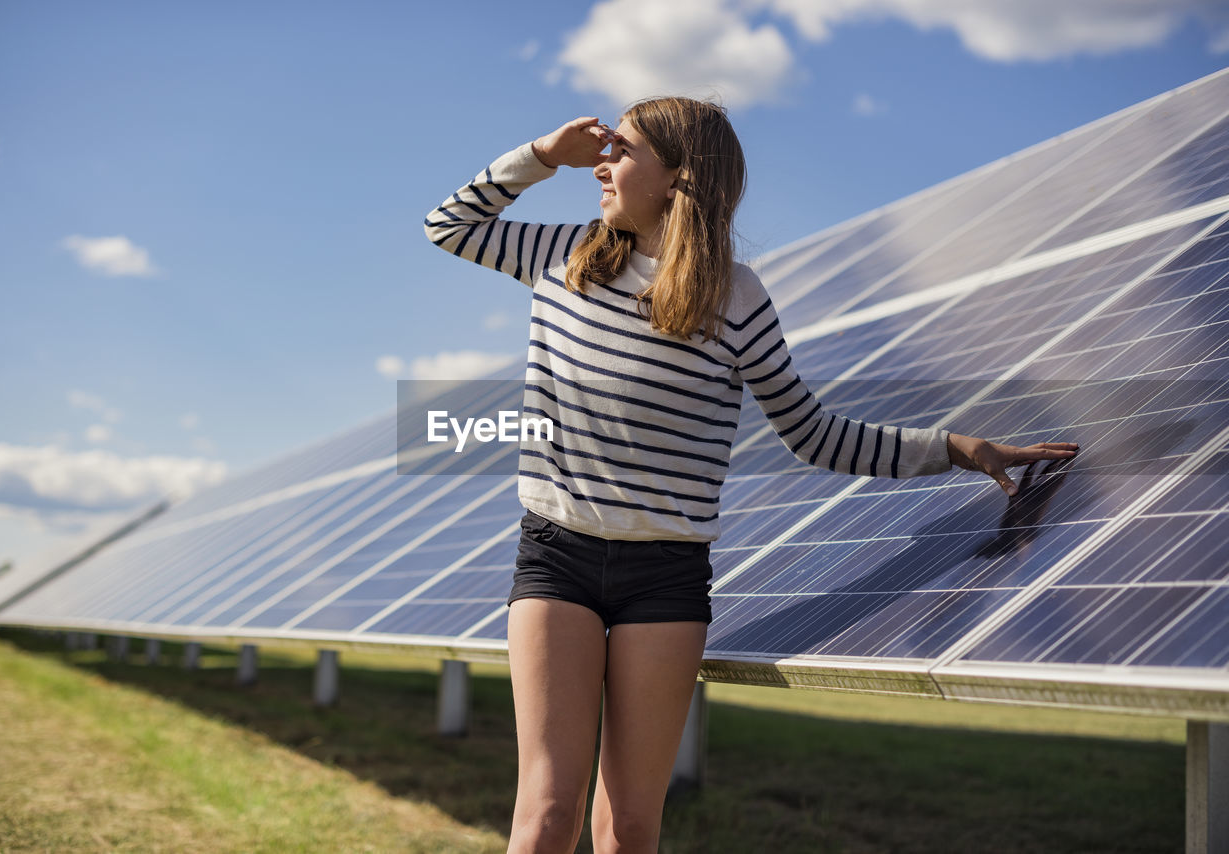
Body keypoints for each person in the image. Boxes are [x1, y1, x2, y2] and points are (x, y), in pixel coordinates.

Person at [424, 98, 1077, 853]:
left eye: (623, 150)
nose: (601, 162)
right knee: (544, 814)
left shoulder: (736, 299)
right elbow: (450, 227)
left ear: (679, 176)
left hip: (665, 577)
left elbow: (813, 433)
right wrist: (541, 153)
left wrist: (957, 448)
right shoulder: (564, 256)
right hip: (556, 557)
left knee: (629, 825)